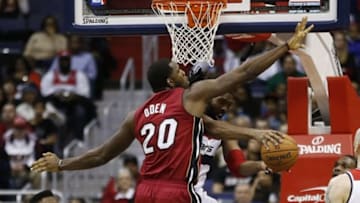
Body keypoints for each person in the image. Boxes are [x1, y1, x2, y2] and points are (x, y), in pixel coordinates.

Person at [31, 17, 312, 203]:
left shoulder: (137, 114)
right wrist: (285, 47)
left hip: (144, 190)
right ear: (170, 80)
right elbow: (241, 74)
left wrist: (63, 164)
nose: (183, 70)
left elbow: (102, 154)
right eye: (178, 69)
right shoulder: (190, 96)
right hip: (175, 190)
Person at [325, 129, 360, 202]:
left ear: (357, 148)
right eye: (336, 165)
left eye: (344, 166)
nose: (337, 169)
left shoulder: (338, 184)